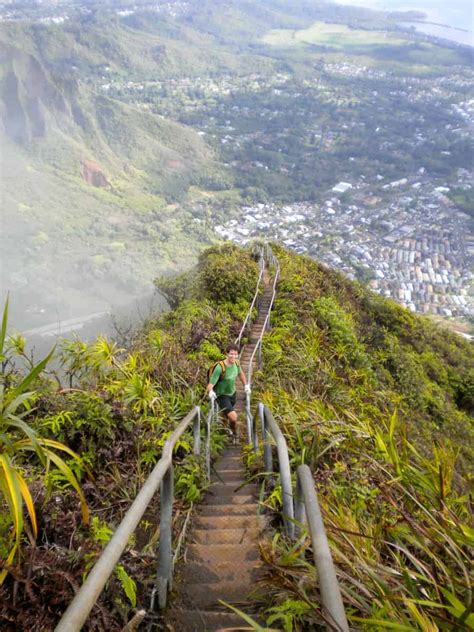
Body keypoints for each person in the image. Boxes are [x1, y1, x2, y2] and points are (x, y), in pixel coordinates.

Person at [206, 343, 251, 440]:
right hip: (222, 395)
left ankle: (224, 430)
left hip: (233, 393)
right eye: (231, 354)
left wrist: (245, 385)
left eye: (235, 354)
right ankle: (235, 433)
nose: (233, 356)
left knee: (226, 414)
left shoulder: (236, 363)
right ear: (226, 354)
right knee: (233, 416)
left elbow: (241, 373)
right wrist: (210, 391)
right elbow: (210, 384)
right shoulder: (220, 367)